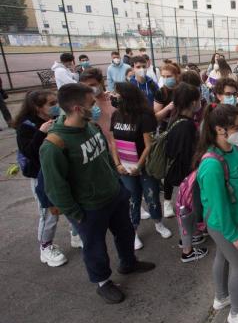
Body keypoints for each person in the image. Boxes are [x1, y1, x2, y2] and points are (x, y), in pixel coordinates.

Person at [40, 83, 155, 304]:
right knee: (95, 247)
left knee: (125, 233)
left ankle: (128, 262)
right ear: (76, 108)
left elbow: (104, 158)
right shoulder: (54, 144)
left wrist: (118, 185)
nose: (96, 107)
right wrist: (76, 214)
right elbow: (55, 187)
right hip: (89, 208)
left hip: (114, 196)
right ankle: (103, 282)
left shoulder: (90, 126)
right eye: (91, 104)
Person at [196, 103, 238, 323]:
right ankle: (236, 313)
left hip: (235, 217)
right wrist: (233, 235)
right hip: (223, 224)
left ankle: (221, 297)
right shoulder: (212, 165)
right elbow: (218, 209)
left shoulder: (233, 150)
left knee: (223, 256)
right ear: (220, 129)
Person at [13, 90, 80, 267]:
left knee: (72, 203)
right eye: (51, 104)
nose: (56, 106)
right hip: (41, 176)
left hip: (61, 171)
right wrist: (41, 133)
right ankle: (46, 246)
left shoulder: (59, 119)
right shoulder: (26, 126)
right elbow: (31, 153)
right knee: (50, 213)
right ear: (37, 107)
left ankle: (76, 234)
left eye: (56, 102)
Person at [109, 82, 172, 251]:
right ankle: (134, 231)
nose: (113, 97)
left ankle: (158, 223)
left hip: (143, 167)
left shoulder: (144, 116)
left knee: (151, 196)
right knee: (132, 200)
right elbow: (114, 142)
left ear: (127, 96)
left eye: (116, 94)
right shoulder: (116, 115)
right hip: (125, 168)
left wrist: (139, 165)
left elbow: (148, 144)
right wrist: (117, 164)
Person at [165, 84, 209, 263]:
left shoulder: (175, 119)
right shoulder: (186, 126)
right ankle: (187, 250)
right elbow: (186, 156)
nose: (200, 103)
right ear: (193, 102)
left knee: (189, 209)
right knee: (186, 211)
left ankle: (192, 236)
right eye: (198, 99)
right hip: (187, 178)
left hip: (180, 176)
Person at [79, 68, 115, 145]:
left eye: (92, 85)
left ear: (101, 82)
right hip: (102, 148)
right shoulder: (83, 107)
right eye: (85, 87)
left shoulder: (114, 100)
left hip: (121, 147)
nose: (89, 89)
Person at [154, 62, 182, 132]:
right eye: (163, 76)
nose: (165, 79)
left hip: (181, 126)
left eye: (169, 76)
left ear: (176, 76)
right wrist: (167, 108)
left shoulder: (182, 89)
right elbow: (156, 117)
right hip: (166, 128)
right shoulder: (160, 92)